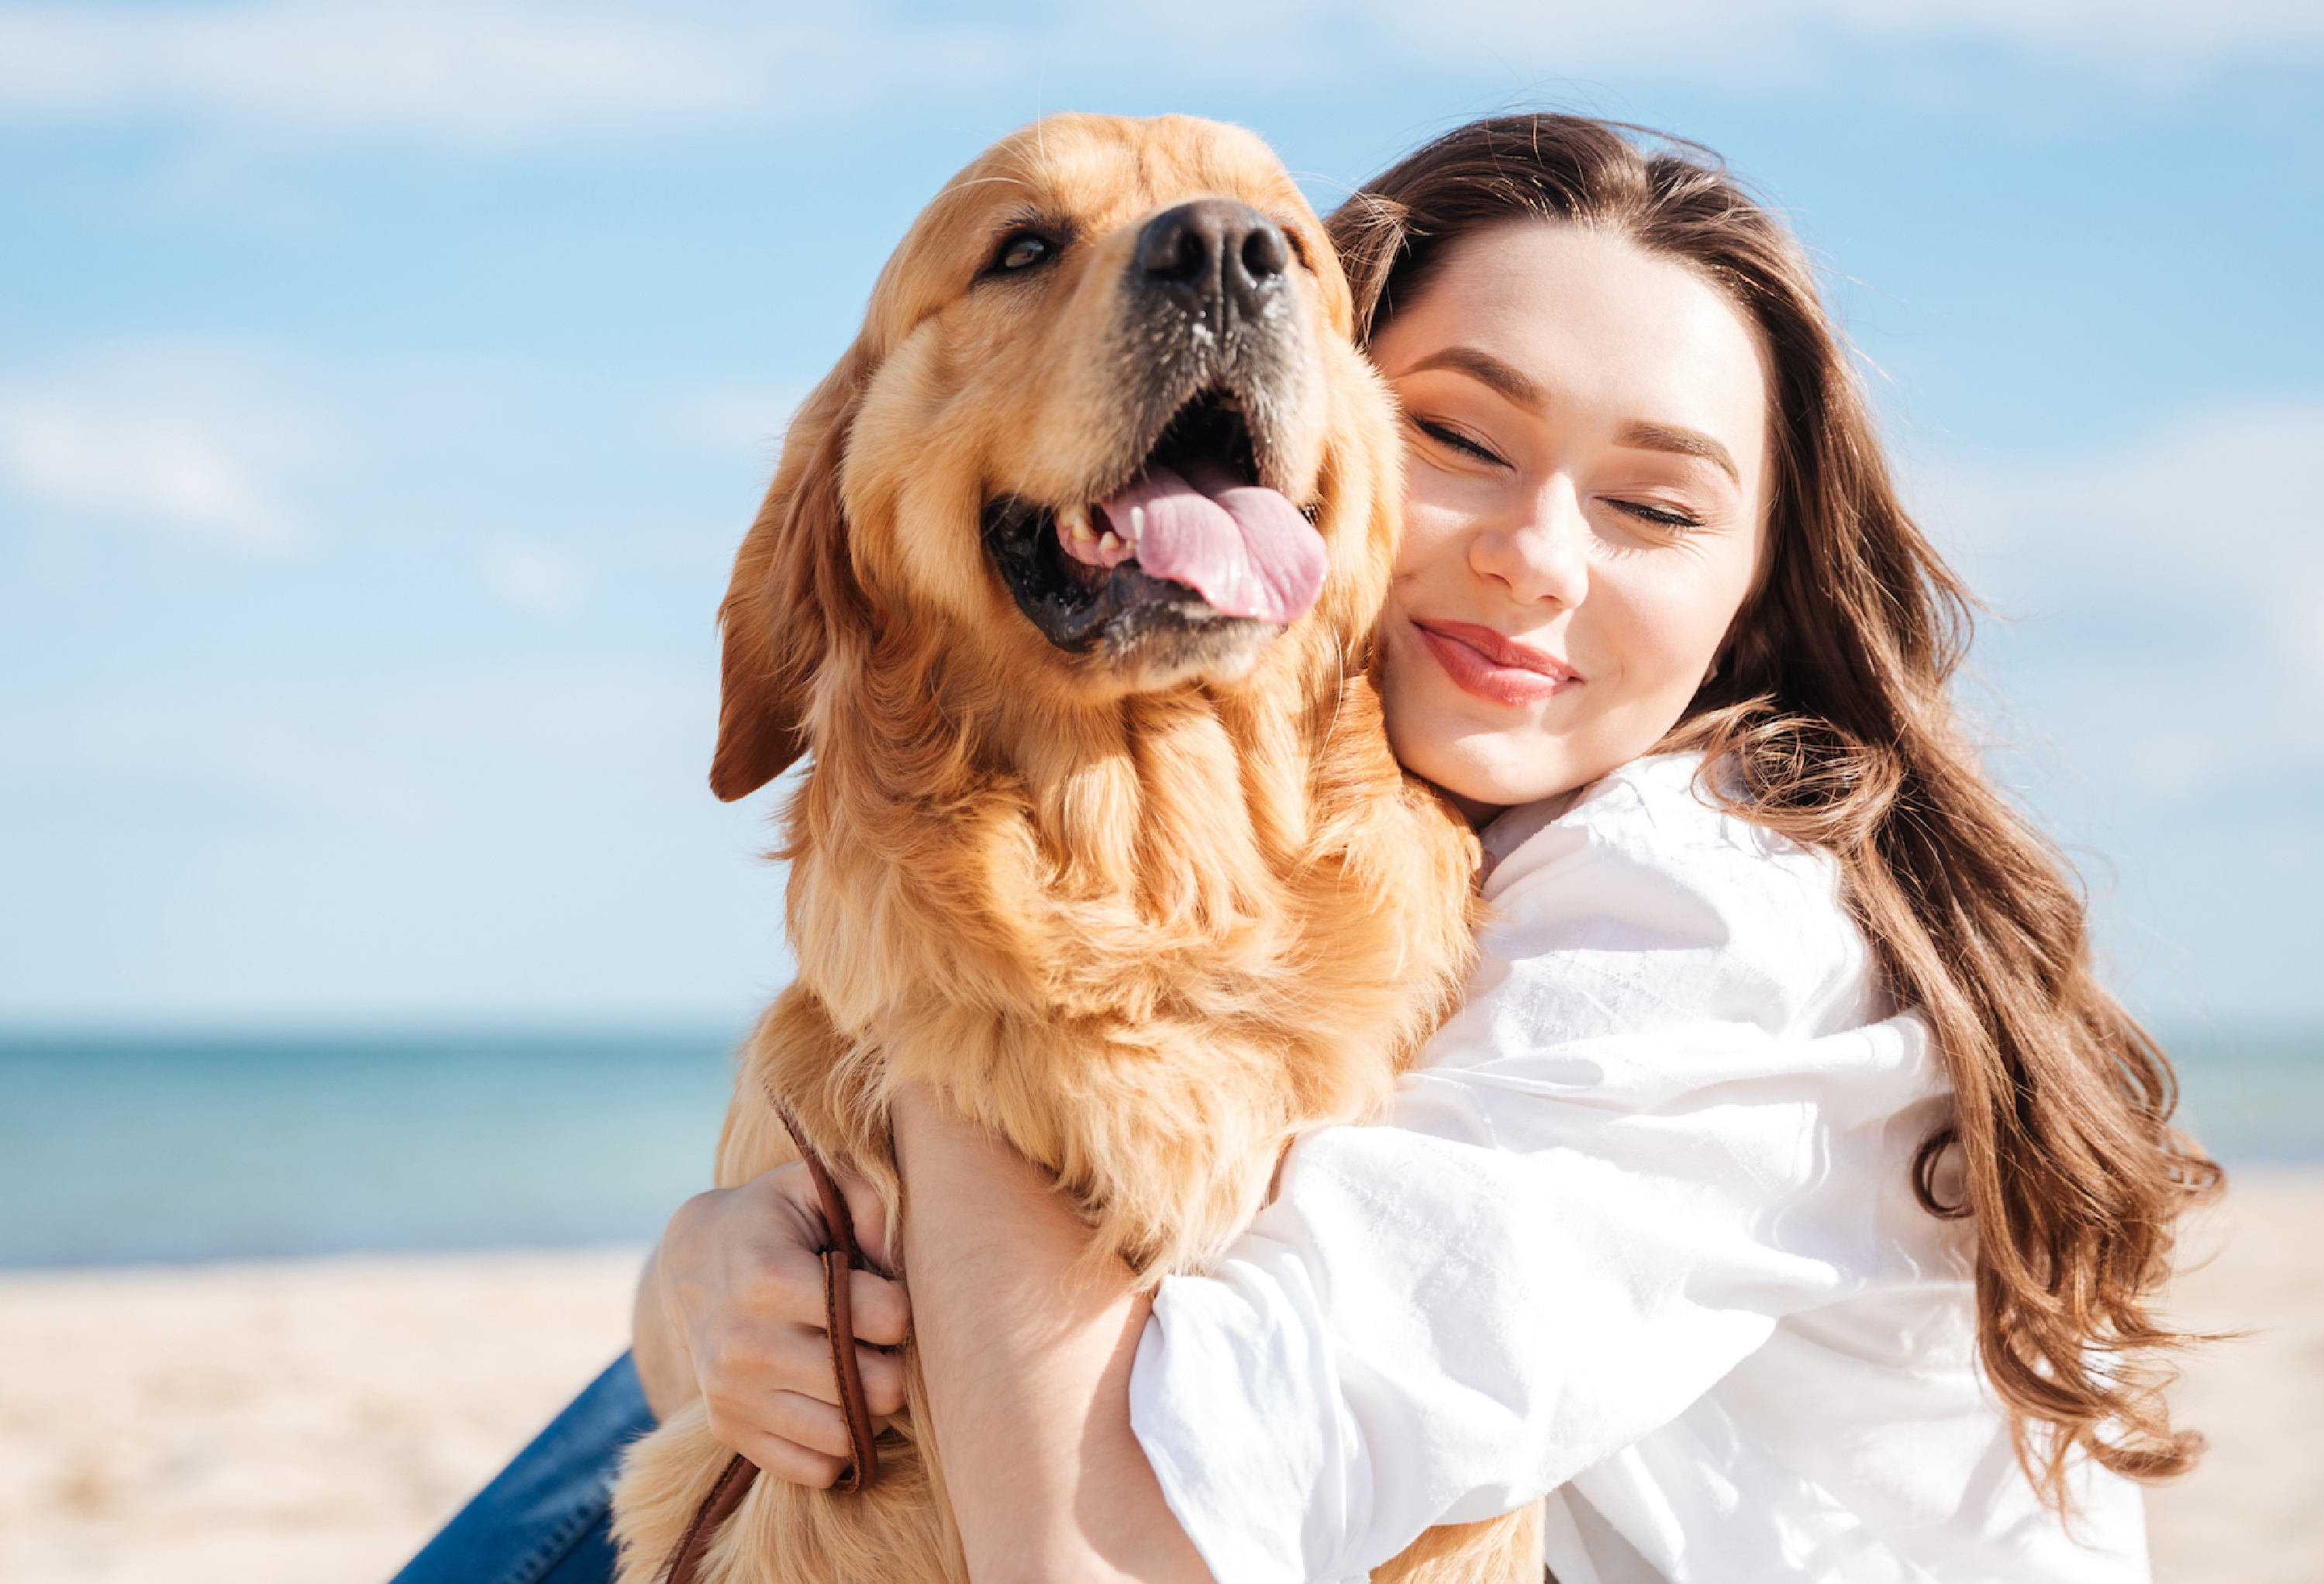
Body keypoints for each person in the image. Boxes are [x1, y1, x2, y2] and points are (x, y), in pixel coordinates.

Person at [396, 113, 2218, 1584]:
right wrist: (692, 1285)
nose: (1537, 556)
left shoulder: (1699, 904)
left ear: (1753, 600)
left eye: (1658, 505)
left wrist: (952, 954)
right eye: (1453, 434)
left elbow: (1112, 1545)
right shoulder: (1452, 843)